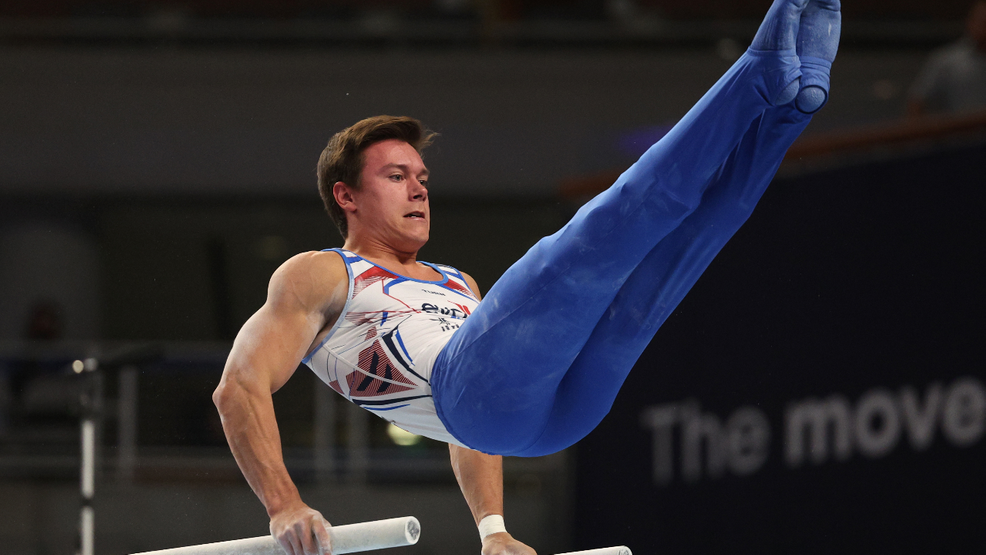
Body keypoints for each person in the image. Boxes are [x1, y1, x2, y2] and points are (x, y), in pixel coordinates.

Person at [212, 1, 841, 554]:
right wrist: (283, 505)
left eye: (423, 178)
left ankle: (788, 110)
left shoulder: (456, 282)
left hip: (542, 417)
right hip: (485, 404)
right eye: (396, 176)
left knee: (677, 253)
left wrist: (492, 528)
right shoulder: (320, 274)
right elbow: (238, 387)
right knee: (599, 234)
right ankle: (757, 75)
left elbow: (476, 423)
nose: (419, 190)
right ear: (345, 196)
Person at [907, 1, 986, 116]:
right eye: (982, 23)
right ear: (970, 22)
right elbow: (917, 100)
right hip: (956, 130)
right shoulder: (947, 60)